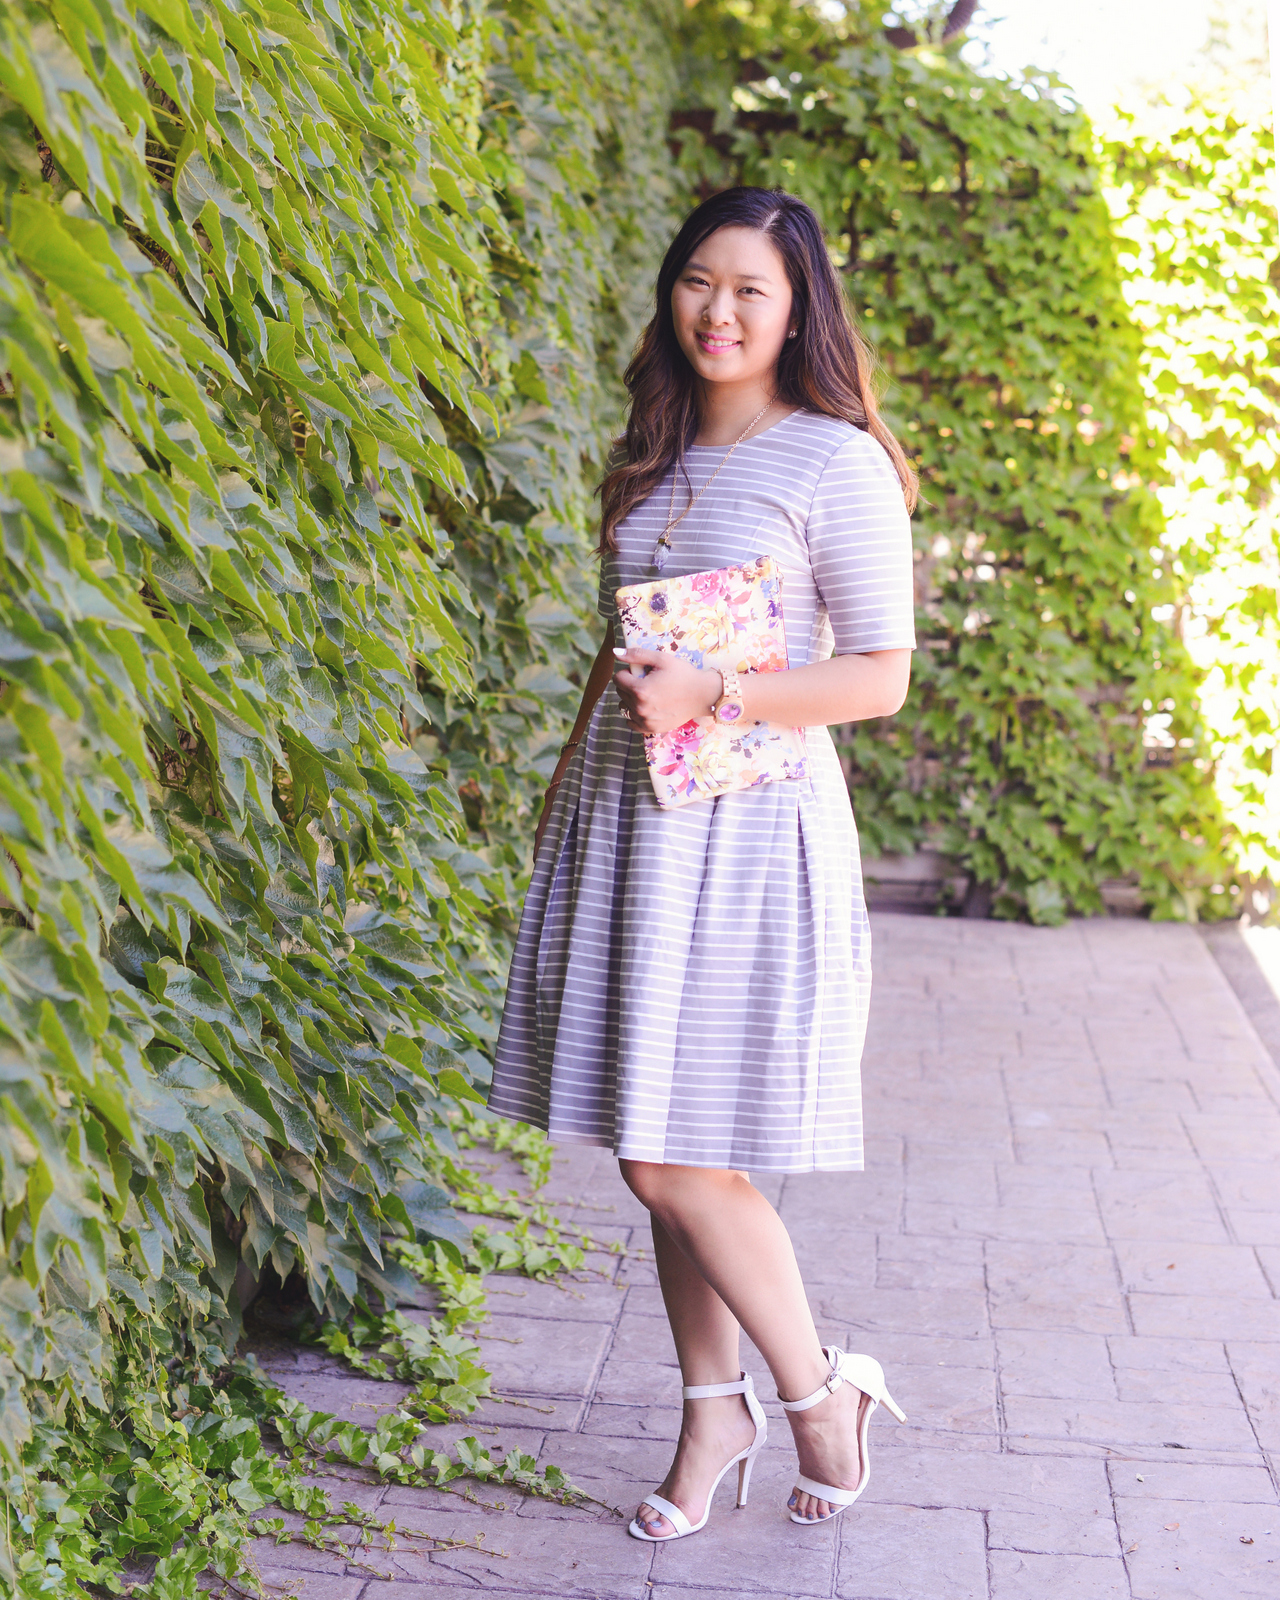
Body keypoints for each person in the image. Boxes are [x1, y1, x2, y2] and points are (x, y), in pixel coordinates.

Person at [487, 186, 918, 1538]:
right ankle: (707, 1411)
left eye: (752, 291)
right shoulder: (658, 453)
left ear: (800, 314)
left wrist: (716, 690)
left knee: (680, 1158)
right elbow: (630, 657)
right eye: (697, 282)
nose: (718, 312)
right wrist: (593, 766)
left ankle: (817, 1395)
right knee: (655, 1138)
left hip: (750, 837)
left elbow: (882, 680)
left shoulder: (834, 461)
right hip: (636, 821)